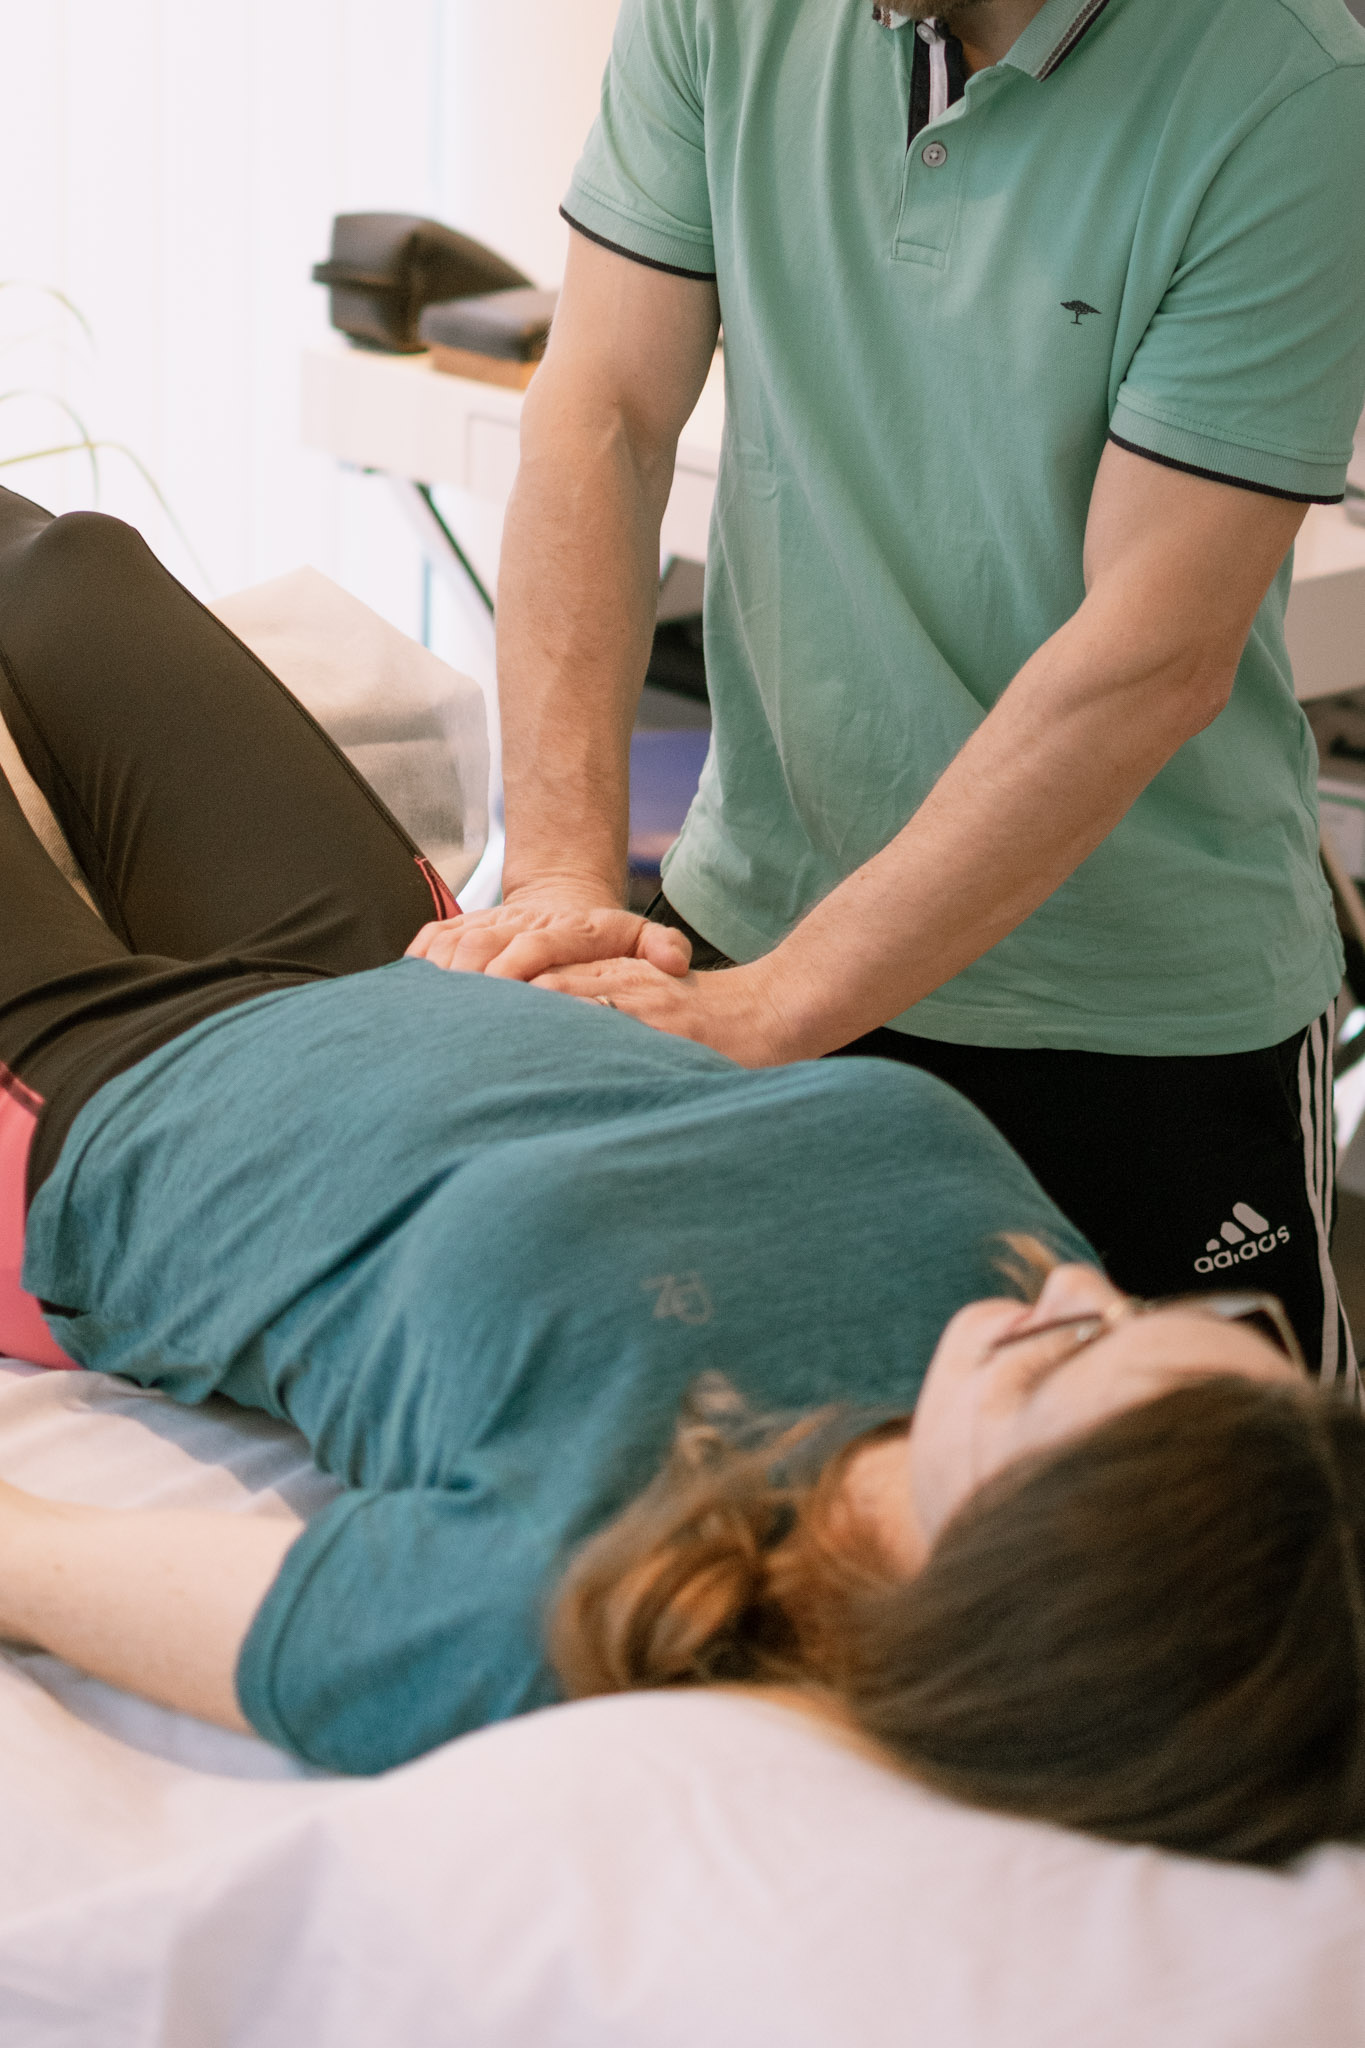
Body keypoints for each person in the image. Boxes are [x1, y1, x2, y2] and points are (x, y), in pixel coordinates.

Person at [0, 490, 1364, 1868]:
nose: (1075, 1290)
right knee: (70, 568)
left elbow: (32, 1559)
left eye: (1070, 1359)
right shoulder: (1010, 1303)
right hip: (429, 974)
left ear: (1014, 1583)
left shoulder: (586, 1585)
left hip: (107, 1100)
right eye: (1143, 1316)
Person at [417, 0, 1365, 1381]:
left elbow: (1149, 654)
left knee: (1186, 1522)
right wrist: (561, 885)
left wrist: (776, 1011)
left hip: (1127, 1025)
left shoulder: (1296, 85)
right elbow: (603, 413)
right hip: (749, 928)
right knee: (757, 1486)